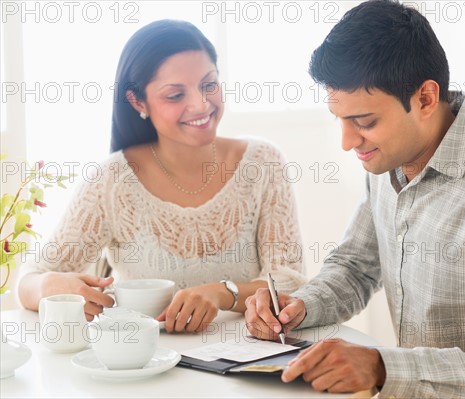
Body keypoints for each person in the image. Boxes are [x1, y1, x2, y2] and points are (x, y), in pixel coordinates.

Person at [244, 1, 465, 397]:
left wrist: (382, 367)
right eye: (341, 121)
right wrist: (298, 307)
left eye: (365, 122)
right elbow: (355, 268)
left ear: (426, 99)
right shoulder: (391, 162)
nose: (348, 142)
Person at [18, 19, 306, 333]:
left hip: (245, 366)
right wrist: (49, 286)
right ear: (138, 101)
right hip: (143, 367)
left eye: (209, 85)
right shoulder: (111, 181)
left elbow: (290, 282)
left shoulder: (262, 162)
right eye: (175, 95)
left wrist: (222, 292)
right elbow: (29, 282)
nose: (200, 104)